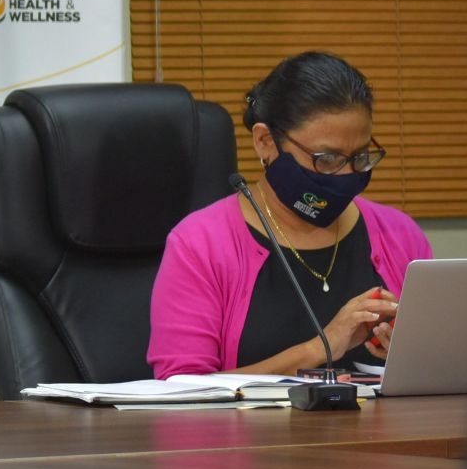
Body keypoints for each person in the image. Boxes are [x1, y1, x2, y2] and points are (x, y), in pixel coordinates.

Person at [148, 52, 429, 379]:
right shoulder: (200, 244)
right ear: (266, 142)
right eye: (327, 159)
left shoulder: (399, 234)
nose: (346, 174)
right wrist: (320, 349)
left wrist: (414, 355)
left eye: (361, 156)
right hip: (252, 432)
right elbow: (180, 392)